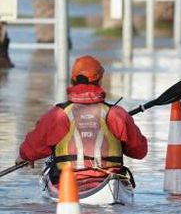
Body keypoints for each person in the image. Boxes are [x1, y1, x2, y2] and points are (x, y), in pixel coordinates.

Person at [16, 55, 148, 188]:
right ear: (100, 80)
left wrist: (25, 156)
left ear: (73, 80)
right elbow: (140, 151)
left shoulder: (58, 115)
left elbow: (34, 144)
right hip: (109, 182)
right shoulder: (117, 114)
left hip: (68, 185)